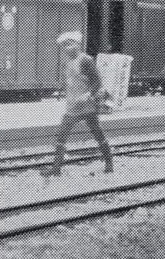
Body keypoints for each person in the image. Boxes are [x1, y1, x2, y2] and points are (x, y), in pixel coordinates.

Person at [41, 31, 113, 176]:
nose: (67, 48)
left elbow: (97, 81)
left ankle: (109, 163)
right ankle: (56, 169)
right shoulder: (67, 62)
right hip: (73, 107)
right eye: (65, 45)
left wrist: (88, 94)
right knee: (61, 135)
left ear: (78, 45)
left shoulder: (86, 60)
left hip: (87, 106)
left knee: (97, 133)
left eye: (70, 44)